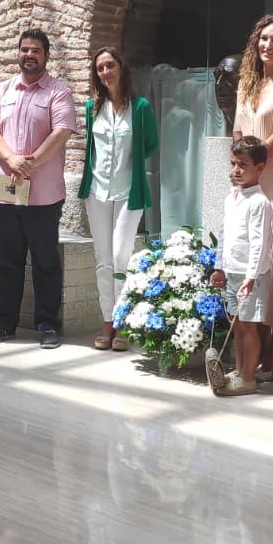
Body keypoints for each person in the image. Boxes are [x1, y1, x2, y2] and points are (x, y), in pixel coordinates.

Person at [0, 28, 76, 349]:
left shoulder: (58, 92)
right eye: (24, 49)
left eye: (36, 50)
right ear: (17, 53)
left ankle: (48, 324)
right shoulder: (3, 89)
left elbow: (61, 131)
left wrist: (29, 162)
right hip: (4, 192)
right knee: (8, 260)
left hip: (43, 196)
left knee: (45, 261)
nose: (29, 54)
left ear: (47, 56)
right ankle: (4, 323)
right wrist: (10, 158)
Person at [78, 46, 158, 351]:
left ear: (121, 68)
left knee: (122, 256)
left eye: (109, 66)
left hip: (128, 192)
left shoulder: (139, 108)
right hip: (96, 191)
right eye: (100, 68)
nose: (105, 72)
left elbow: (150, 144)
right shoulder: (91, 108)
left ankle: (124, 320)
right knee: (103, 260)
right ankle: (108, 321)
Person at [232, 15, 273, 379]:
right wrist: (239, 170)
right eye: (263, 39)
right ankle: (251, 347)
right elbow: (239, 130)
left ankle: (271, 351)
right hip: (249, 180)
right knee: (247, 254)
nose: (268, 46)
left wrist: (254, 163)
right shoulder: (247, 83)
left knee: (271, 258)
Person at [211, 136, 273, 396]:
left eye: (243, 165)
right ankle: (238, 371)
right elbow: (225, 236)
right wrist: (219, 266)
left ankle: (248, 376)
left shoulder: (259, 203)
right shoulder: (232, 198)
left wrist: (251, 277)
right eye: (233, 164)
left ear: (259, 168)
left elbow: (259, 243)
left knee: (249, 326)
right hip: (233, 270)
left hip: (253, 275)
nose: (235, 170)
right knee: (237, 324)